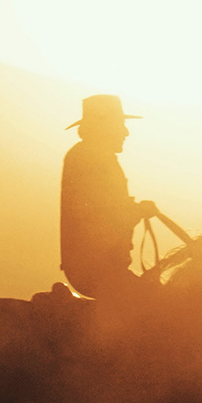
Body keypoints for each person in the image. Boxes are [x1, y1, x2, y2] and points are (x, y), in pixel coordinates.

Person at [59, 93, 159, 306]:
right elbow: (105, 216)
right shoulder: (91, 159)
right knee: (158, 305)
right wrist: (138, 211)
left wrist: (136, 209)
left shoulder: (89, 156)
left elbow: (104, 209)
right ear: (104, 127)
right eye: (120, 125)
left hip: (97, 267)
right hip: (99, 270)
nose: (126, 132)